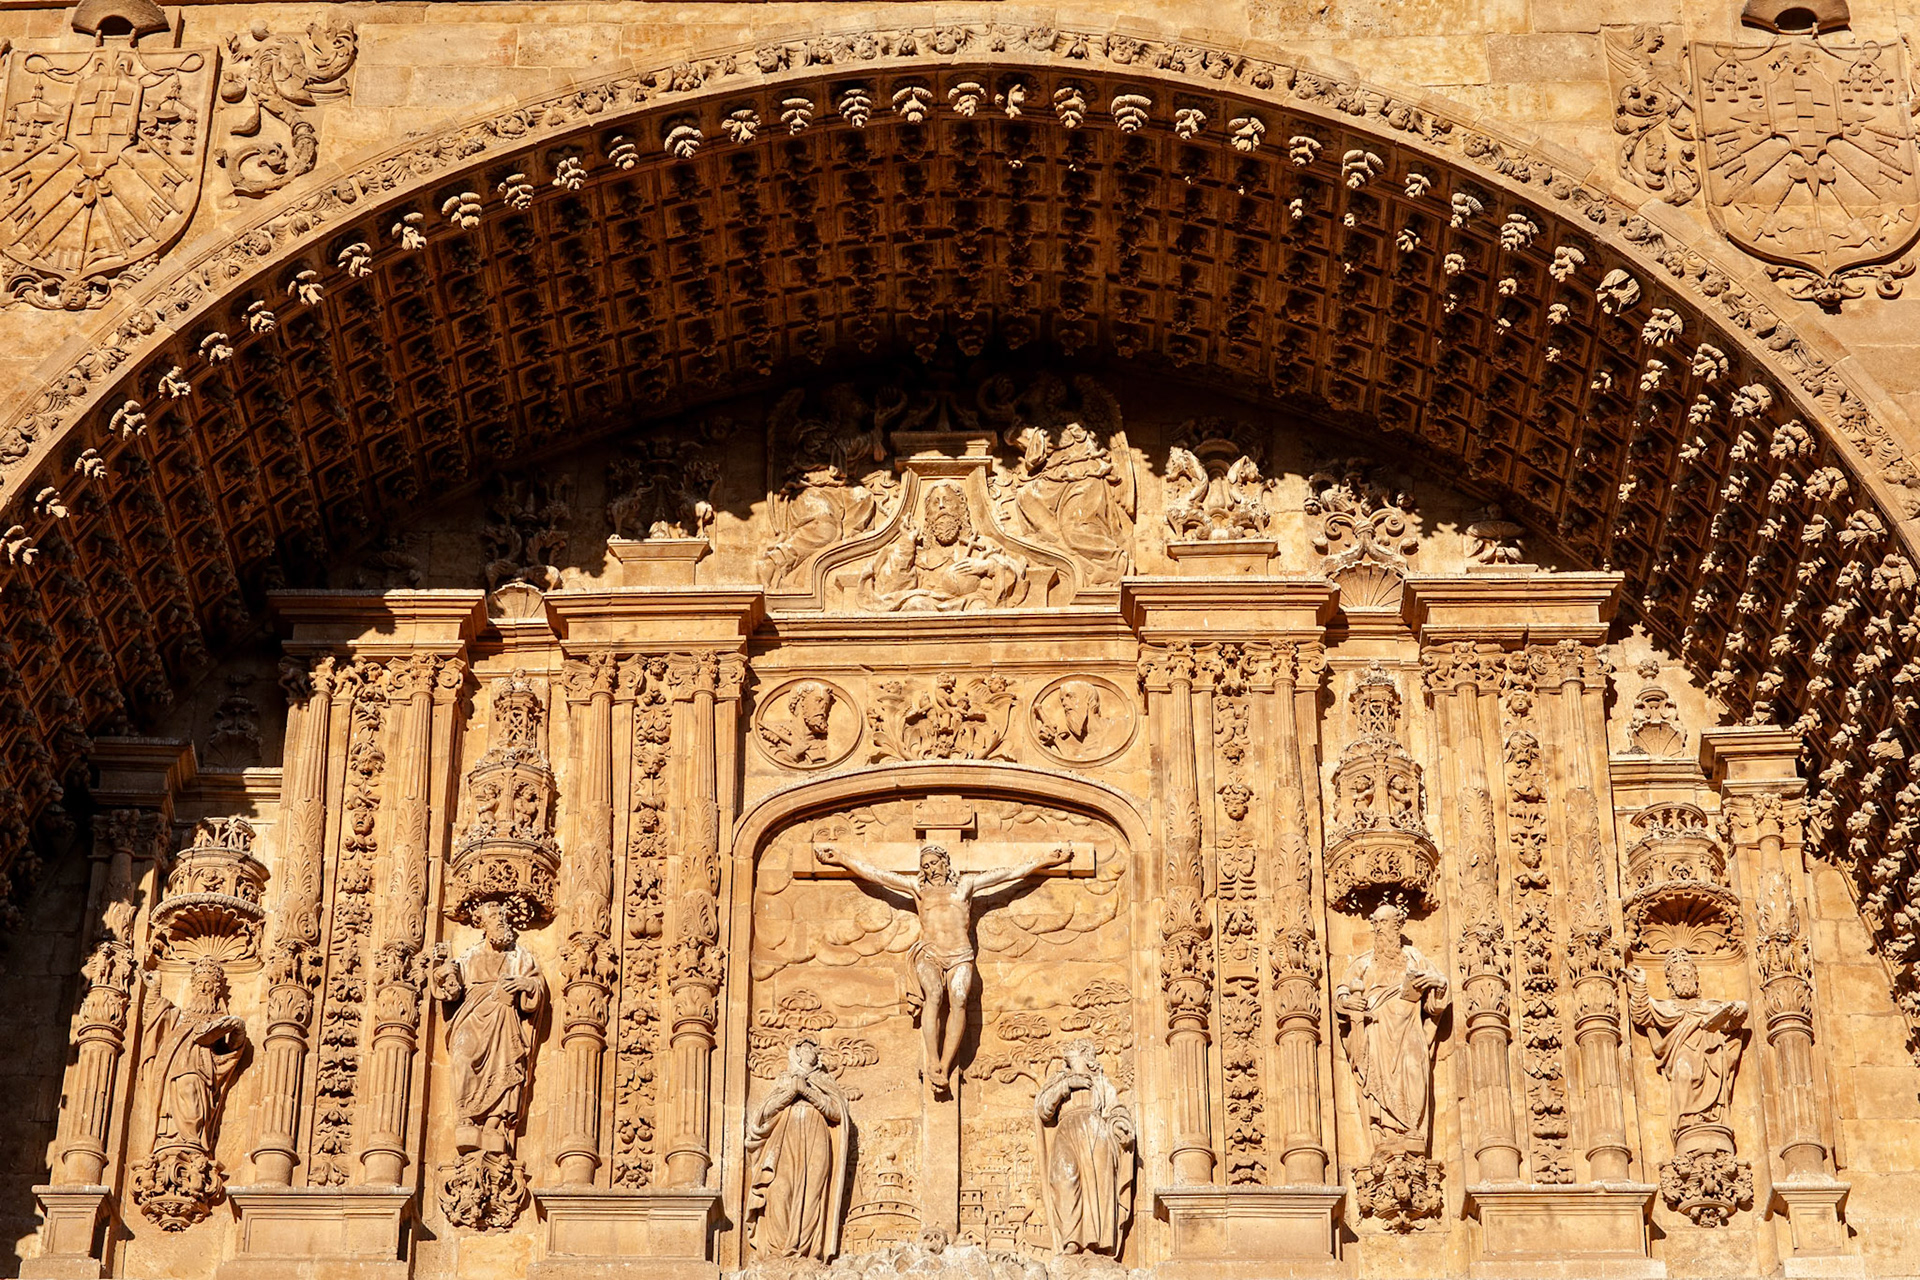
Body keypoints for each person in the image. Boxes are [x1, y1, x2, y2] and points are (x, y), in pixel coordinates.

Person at [816, 841, 1067, 1094]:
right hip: (930, 953)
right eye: (925, 866)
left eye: (934, 863)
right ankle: (932, 1061)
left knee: (958, 999)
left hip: (960, 954)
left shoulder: (965, 886)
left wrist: (1045, 859)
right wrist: (842, 858)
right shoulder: (919, 889)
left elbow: (1009, 873)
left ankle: (945, 1066)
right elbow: (879, 875)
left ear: (945, 863)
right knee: (933, 995)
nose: (930, 869)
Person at [744, 1038, 852, 1259]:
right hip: (784, 1138)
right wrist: (791, 1093)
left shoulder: (824, 1080)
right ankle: (777, 1252)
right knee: (779, 1190)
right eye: (804, 1047)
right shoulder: (785, 1079)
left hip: (817, 1137)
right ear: (796, 1053)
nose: (810, 1050)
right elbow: (765, 1112)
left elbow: (837, 1112)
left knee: (813, 1192)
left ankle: (806, 1252)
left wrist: (809, 1092)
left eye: (813, 1048)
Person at [1034, 1039, 1135, 1256]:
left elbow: (1115, 1108)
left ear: (1086, 1055)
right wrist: (1066, 1086)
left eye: (1074, 1050)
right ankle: (1071, 1238)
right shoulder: (1059, 1080)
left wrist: (1121, 1126)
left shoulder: (1100, 1081)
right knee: (1064, 1179)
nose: (1067, 1053)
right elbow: (1044, 1111)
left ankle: (1094, 1243)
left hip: (1095, 1131)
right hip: (1066, 1131)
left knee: (1097, 1186)